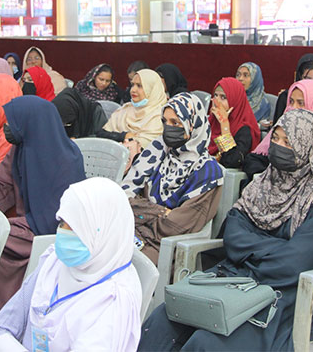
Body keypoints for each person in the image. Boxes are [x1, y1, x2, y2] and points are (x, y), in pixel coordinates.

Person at [139, 109, 313, 351]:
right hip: (232, 281)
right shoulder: (264, 182)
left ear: (308, 147)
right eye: (276, 138)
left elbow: (295, 263)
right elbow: (233, 235)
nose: (278, 147)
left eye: (288, 142)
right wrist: (274, 249)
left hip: (283, 295)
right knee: (162, 320)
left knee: (207, 343)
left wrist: (250, 254)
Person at [0, 177, 142, 352]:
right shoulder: (56, 262)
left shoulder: (113, 300)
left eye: (75, 227)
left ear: (104, 231)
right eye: (62, 223)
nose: (63, 234)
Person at [0, 96, 86, 324]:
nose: (6, 127)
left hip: (43, 234)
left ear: (30, 122)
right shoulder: (21, 149)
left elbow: (52, 220)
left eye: (10, 123)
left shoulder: (66, 160)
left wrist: (4, 226)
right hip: (19, 226)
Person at [122, 92, 223, 264]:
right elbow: (123, 200)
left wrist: (141, 212)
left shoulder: (207, 172)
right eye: (165, 122)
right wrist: (159, 212)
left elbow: (176, 225)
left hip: (165, 247)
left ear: (192, 125)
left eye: (176, 123)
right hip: (134, 232)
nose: (168, 128)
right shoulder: (158, 153)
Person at [248, 80, 313, 185]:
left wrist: (300, 179)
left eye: (301, 103)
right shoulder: (283, 130)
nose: (293, 108)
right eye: (291, 102)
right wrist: (271, 178)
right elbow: (253, 161)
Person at [104, 69, 166, 148]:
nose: (133, 90)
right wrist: (124, 136)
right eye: (132, 85)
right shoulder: (124, 109)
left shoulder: (161, 116)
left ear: (152, 89)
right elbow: (102, 134)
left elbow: (147, 146)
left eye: (139, 86)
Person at [208, 77, 262, 169]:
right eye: (215, 95)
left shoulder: (244, 129)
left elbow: (231, 161)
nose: (217, 102)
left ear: (235, 101)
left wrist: (224, 126)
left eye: (223, 97)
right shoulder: (211, 121)